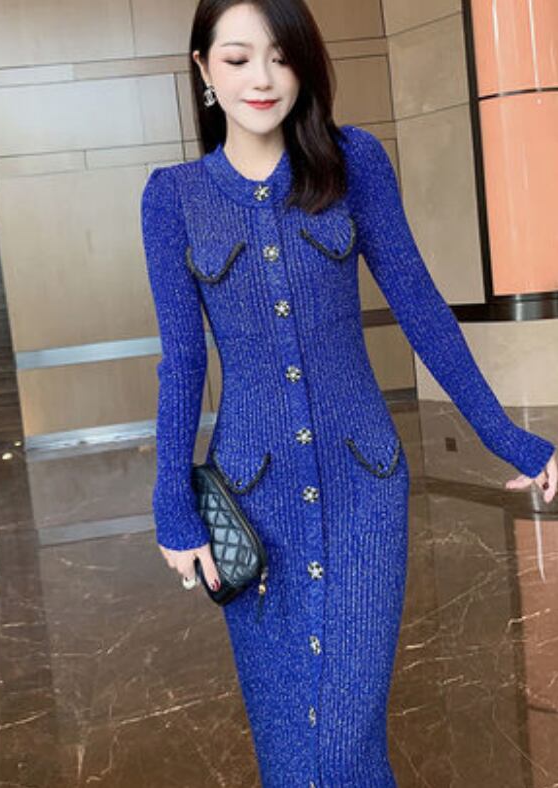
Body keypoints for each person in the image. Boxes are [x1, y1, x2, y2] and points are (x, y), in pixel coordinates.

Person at [140, 1, 557, 784]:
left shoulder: (353, 163)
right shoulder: (173, 198)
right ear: (203, 70)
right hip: (252, 504)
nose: (262, 78)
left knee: (341, 739)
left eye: (281, 56)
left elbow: (421, 308)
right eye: (237, 58)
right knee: (289, 748)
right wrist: (172, 505)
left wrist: (512, 438)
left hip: (365, 486)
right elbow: (182, 362)